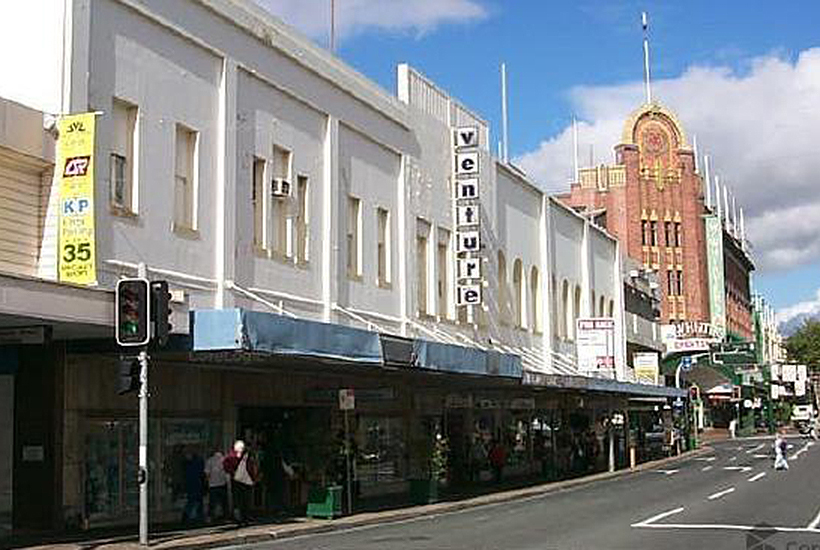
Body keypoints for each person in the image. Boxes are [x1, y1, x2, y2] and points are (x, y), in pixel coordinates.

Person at [223, 440, 258, 525]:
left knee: (238, 499)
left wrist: (232, 473)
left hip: (236, 480)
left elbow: (226, 465)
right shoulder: (247, 456)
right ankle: (245, 518)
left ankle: (239, 518)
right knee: (246, 499)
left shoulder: (232, 455)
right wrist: (254, 478)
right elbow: (251, 468)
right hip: (245, 480)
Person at [181, 448, 205, 524]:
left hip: (194, 484)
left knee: (193, 500)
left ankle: (191, 516)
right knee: (195, 500)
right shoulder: (196, 463)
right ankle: (195, 516)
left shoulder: (188, 465)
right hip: (196, 484)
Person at [205, 448, 228, 522]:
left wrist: (208, 481)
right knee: (223, 501)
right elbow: (227, 472)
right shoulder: (224, 460)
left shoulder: (210, 460)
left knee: (212, 502)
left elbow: (207, 473)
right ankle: (225, 515)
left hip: (212, 484)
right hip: (222, 483)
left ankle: (210, 516)